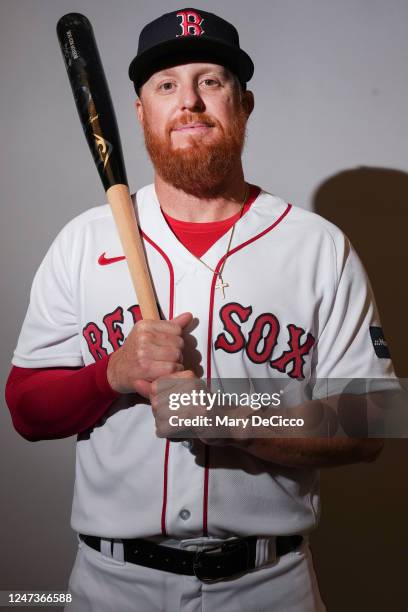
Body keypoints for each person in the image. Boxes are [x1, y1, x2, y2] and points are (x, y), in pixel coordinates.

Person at [5, 7, 397, 612]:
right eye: (166, 86)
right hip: (112, 585)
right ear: (140, 113)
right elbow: (26, 408)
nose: (188, 101)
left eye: (210, 81)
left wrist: (231, 415)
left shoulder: (317, 246)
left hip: (268, 586)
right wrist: (112, 373)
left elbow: (372, 419)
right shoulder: (84, 241)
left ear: (243, 105)